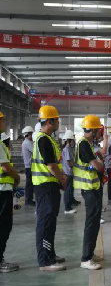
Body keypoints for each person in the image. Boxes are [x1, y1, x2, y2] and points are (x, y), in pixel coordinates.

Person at [33, 106, 67, 271]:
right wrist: (62, 179)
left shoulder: (47, 139)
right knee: (46, 223)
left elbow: (55, 165)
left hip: (49, 186)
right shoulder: (43, 140)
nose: (58, 122)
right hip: (45, 186)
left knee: (50, 223)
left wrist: (61, 177)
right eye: (56, 120)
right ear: (49, 121)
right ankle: (45, 261)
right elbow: (51, 166)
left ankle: (50, 254)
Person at [75, 115, 107, 271]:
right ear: (93, 130)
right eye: (98, 130)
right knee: (91, 223)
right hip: (89, 188)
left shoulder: (86, 143)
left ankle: (90, 253)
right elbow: (98, 166)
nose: (100, 133)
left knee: (94, 223)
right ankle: (86, 258)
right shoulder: (84, 144)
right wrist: (100, 163)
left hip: (92, 187)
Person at [0, 110, 20, 273]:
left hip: (3, 189)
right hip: (2, 190)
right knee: (4, 225)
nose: (4, 123)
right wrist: (17, 177)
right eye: (2, 120)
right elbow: (5, 167)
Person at [61, 131, 79, 214]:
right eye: (73, 140)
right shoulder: (67, 149)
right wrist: (76, 167)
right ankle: (67, 208)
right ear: (69, 140)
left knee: (70, 189)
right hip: (68, 172)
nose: (74, 142)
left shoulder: (70, 148)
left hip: (70, 172)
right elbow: (68, 162)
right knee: (68, 190)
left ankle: (71, 203)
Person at [21, 126, 35, 207]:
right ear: (28, 134)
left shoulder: (27, 142)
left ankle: (29, 199)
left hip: (29, 166)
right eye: (31, 134)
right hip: (29, 166)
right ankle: (28, 200)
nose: (32, 136)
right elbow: (35, 151)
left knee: (30, 183)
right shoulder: (27, 143)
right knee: (29, 184)